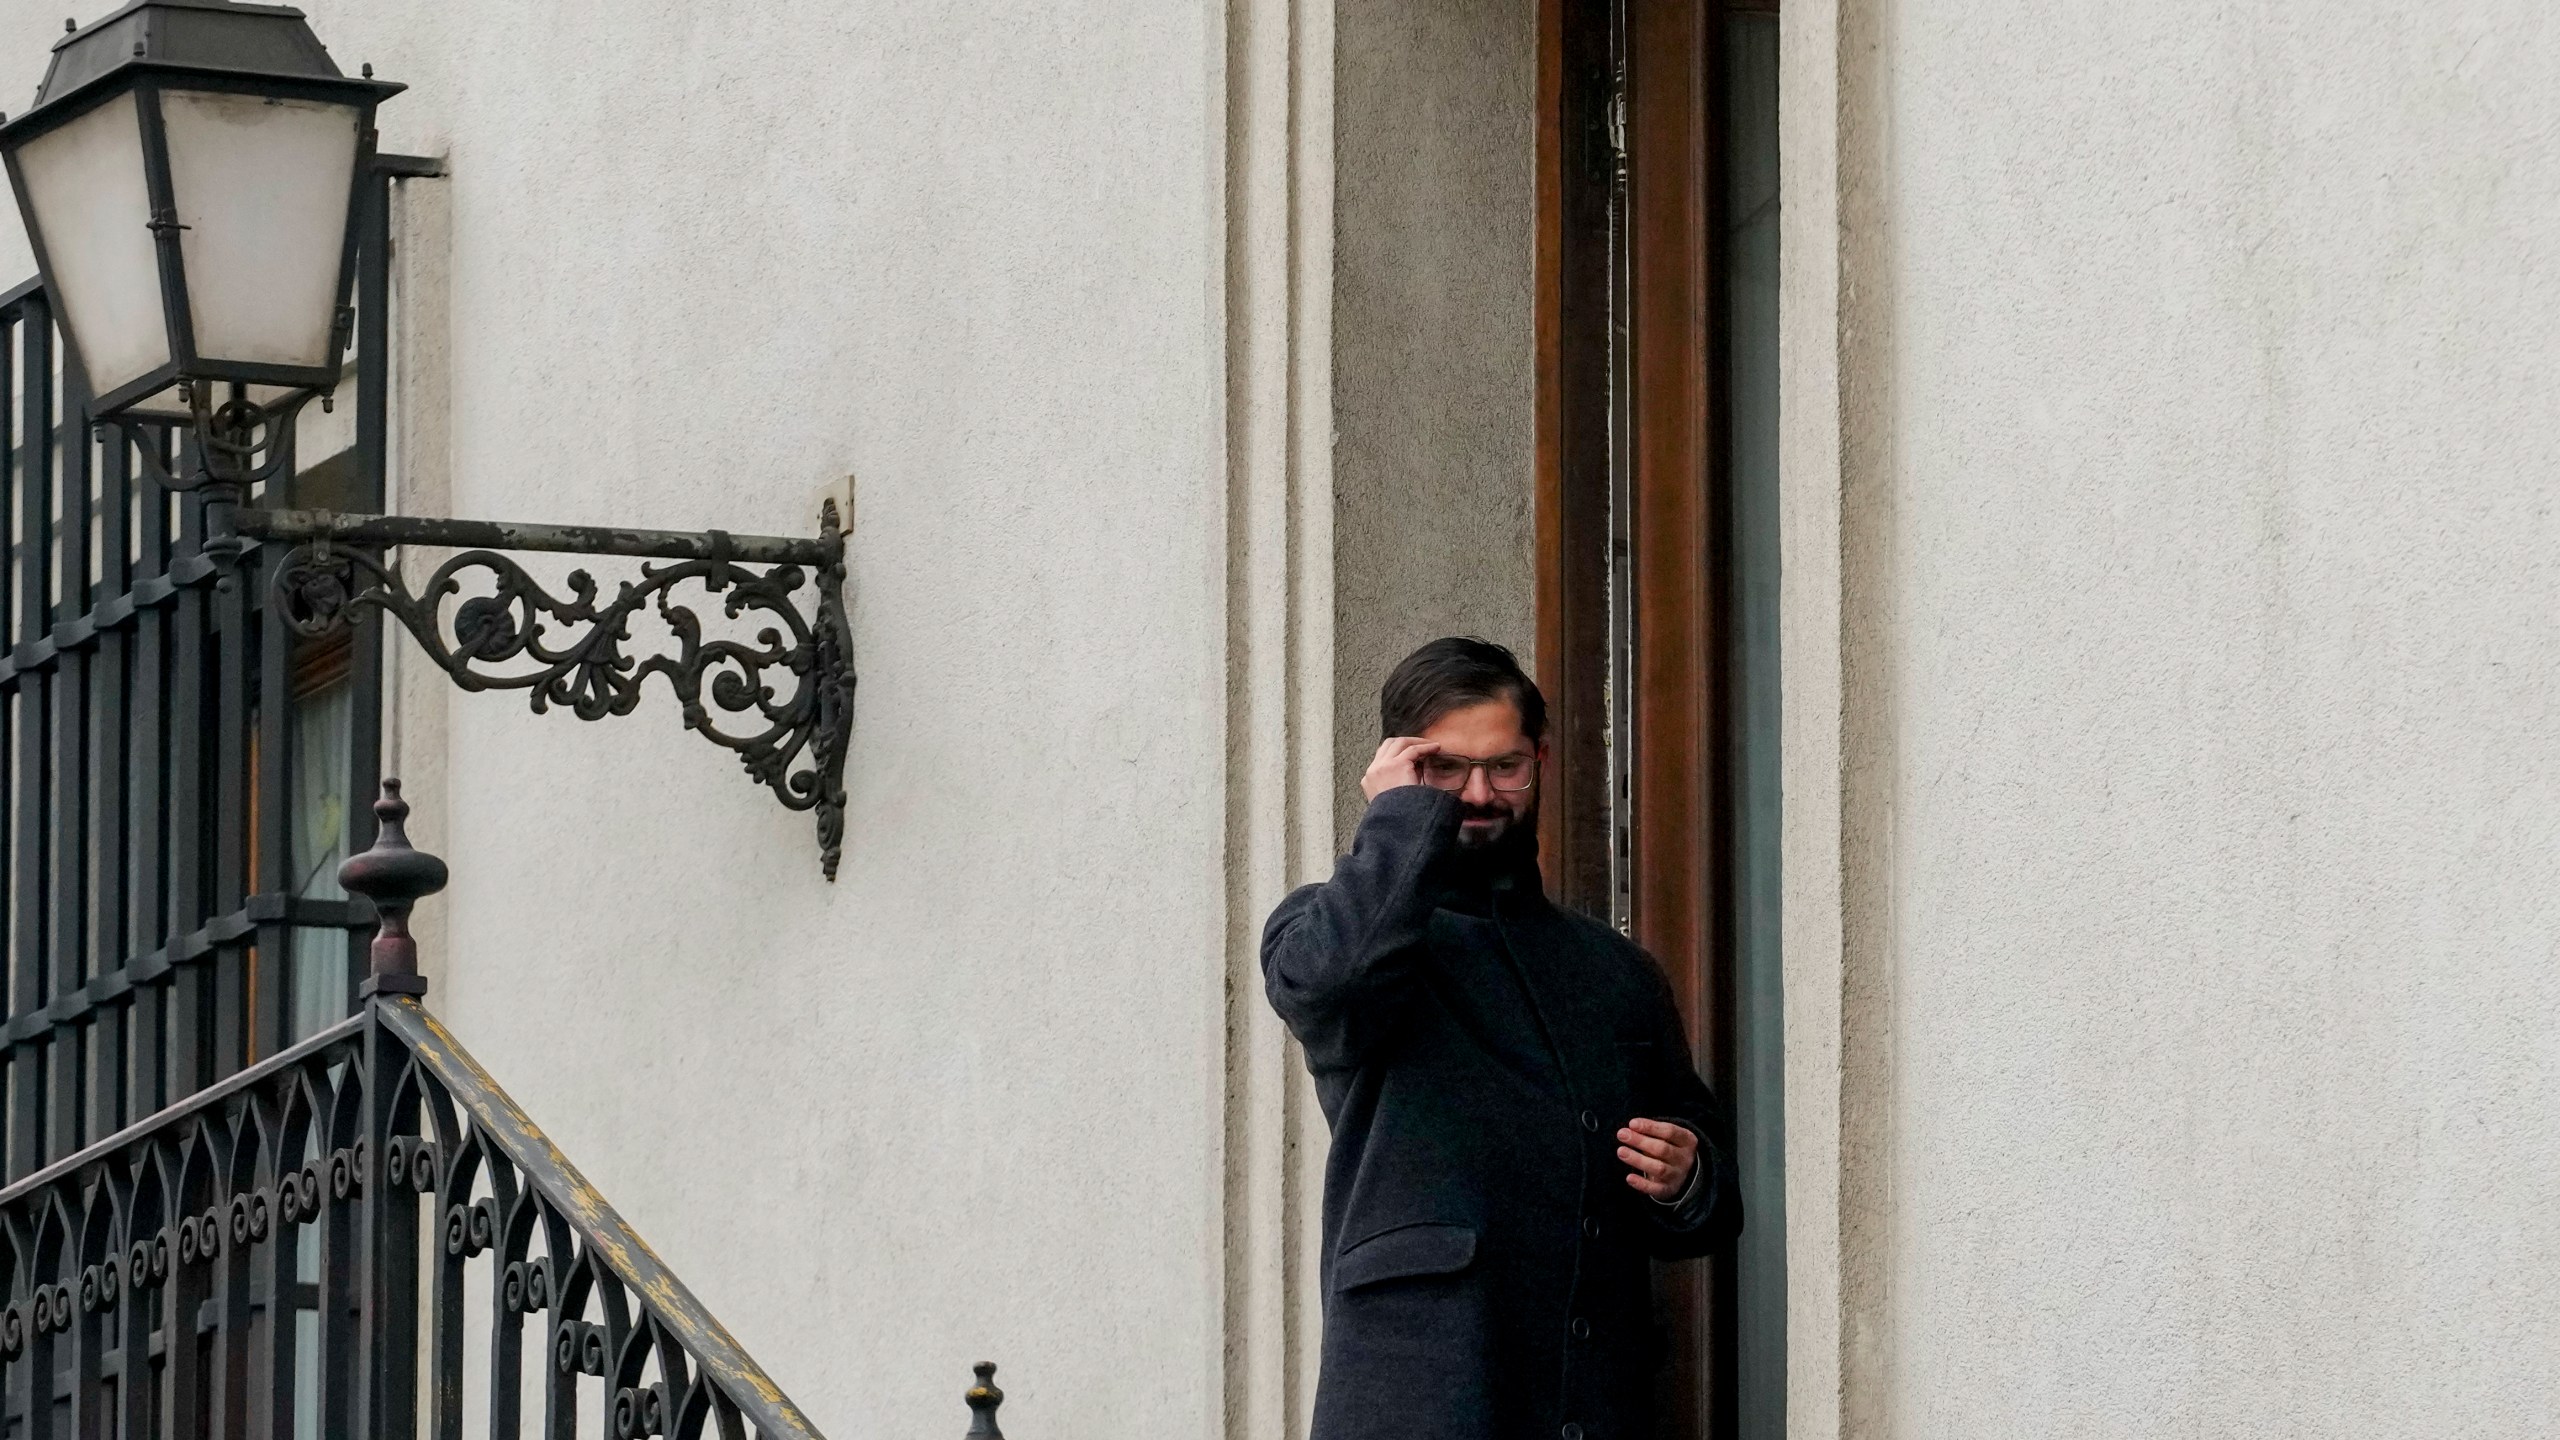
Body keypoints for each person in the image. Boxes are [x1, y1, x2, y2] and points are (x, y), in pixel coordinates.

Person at [1262, 636, 1741, 1440]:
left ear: (1542, 762)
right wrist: (1399, 822)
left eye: (1505, 767)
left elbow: (1709, 1194)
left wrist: (1687, 1175)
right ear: (1398, 771)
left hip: (1591, 1400)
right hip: (1421, 1396)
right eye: (1445, 771)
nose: (1478, 794)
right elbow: (1331, 990)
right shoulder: (1326, 926)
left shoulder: (1617, 971)